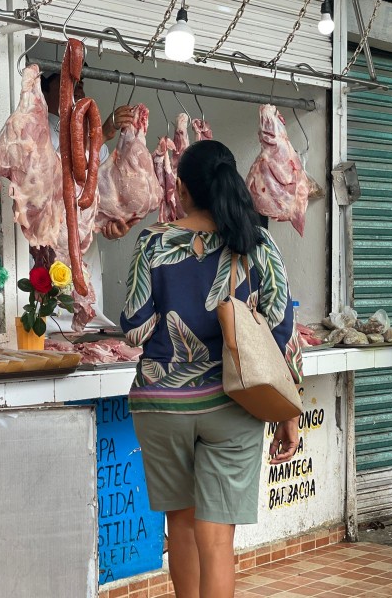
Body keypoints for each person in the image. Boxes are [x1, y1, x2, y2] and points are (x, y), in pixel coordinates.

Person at [120, 140, 304, 598]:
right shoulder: (257, 243)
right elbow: (283, 331)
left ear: (180, 188)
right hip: (234, 400)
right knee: (217, 539)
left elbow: (135, 329)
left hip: (162, 405)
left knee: (179, 524)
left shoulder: (153, 242)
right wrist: (289, 412)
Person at [41, 72, 139, 241]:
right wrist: (103, 134)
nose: (78, 87)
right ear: (45, 90)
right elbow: (55, 177)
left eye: (80, 83)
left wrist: (115, 226)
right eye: (69, 81)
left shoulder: (98, 147)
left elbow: (106, 196)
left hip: (84, 250)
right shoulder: (38, 131)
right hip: (46, 245)